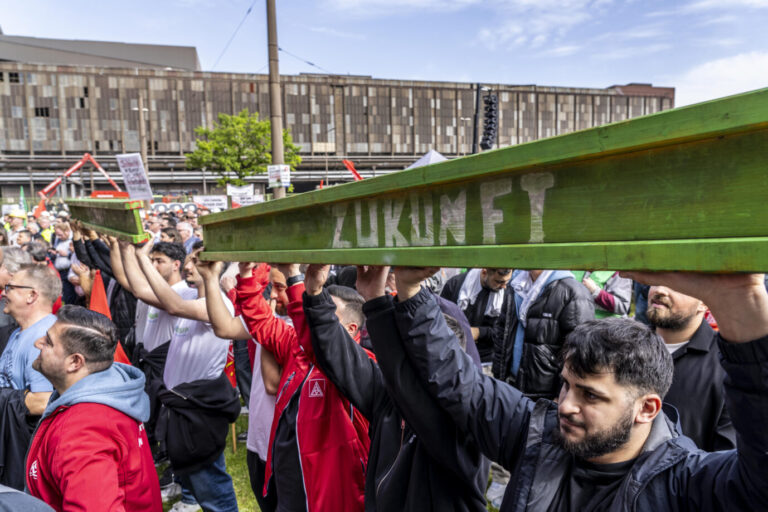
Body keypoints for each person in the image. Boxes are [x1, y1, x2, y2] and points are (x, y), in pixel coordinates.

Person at [387, 267, 768, 511]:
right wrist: (410, 289)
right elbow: (459, 382)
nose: (566, 405)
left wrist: (742, 304)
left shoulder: (684, 484)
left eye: (590, 395)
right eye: (567, 386)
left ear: (647, 409)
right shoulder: (536, 433)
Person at [301, 263, 488, 511]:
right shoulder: (390, 401)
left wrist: (389, 296)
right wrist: (315, 295)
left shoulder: (467, 424)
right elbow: (342, 356)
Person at [232, 261, 370, 511]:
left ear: (351, 329)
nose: (317, 321)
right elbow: (261, 322)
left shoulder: (362, 365)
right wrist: (245, 275)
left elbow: (317, 338)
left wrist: (295, 279)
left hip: (335, 486)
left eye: (326, 317)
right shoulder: (296, 345)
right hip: (289, 472)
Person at [128, 241, 240, 512]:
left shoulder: (218, 304)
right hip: (183, 403)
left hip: (199, 405)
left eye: (195, 261)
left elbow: (174, 307)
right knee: (197, 471)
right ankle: (189, 499)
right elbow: (141, 290)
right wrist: (132, 253)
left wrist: (143, 260)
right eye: (189, 260)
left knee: (211, 479)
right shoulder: (191, 296)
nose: (188, 266)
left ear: (214, 267)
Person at [25, 305, 162, 511]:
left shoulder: (82, 432)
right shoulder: (111, 388)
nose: (38, 343)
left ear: (74, 362)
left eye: (48, 342)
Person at [196, 260, 280, 512]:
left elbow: (272, 383)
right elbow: (224, 328)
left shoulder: (303, 326)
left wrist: (266, 323)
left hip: (283, 444)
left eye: (281, 286)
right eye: (273, 287)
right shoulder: (265, 318)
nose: (275, 294)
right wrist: (212, 278)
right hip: (259, 439)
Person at [645, 284, 736, 451]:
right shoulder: (624, 348)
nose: (660, 290)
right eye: (656, 279)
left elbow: (727, 456)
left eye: (676, 286)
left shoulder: (728, 365)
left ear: (704, 302)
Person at [491, 269, 594, 399]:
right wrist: (498, 376)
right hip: (509, 385)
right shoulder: (516, 285)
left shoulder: (574, 292)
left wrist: (562, 396)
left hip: (544, 394)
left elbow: (578, 352)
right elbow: (502, 332)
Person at [0, 264, 59, 488]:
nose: (4, 293)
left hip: (25, 450)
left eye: (10, 288)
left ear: (31, 295)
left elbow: (43, 402)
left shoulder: (45, 337)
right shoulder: (19, 331)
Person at [441, 268, 514, 364]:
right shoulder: (456, 285)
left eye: (507, 281)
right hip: (454, 355)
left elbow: (505, 333)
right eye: (499, 281)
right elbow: (440, 321)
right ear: (484, 273)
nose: (504, 286)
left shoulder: (507, 293)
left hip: (487, 359)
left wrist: (479, 332)